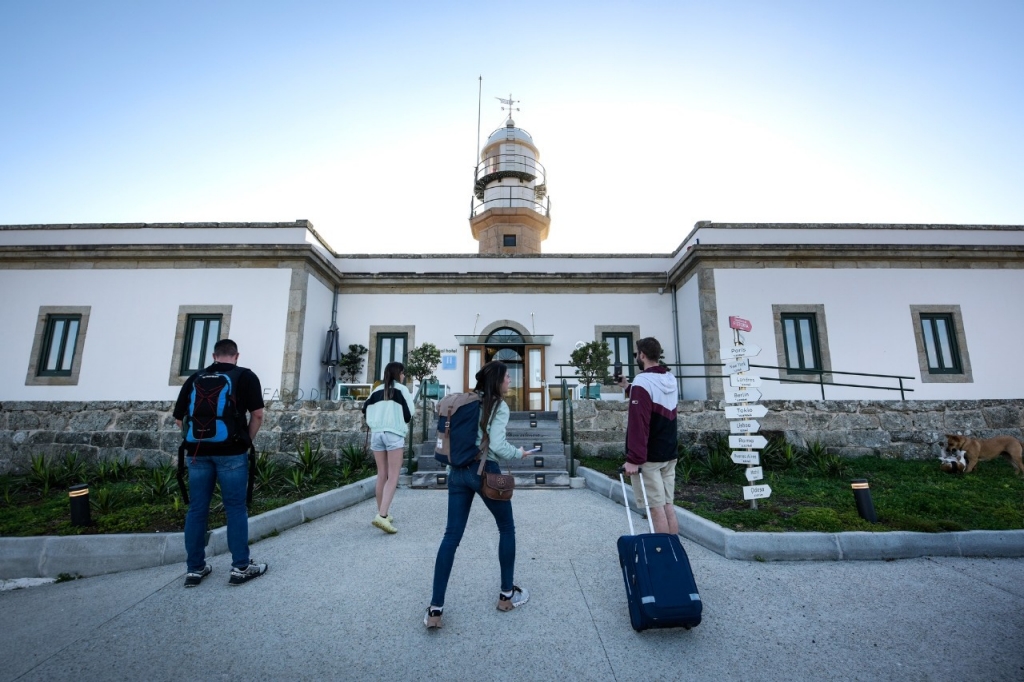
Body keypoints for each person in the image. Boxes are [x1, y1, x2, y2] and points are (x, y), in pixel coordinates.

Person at [424, 360, 531, 629]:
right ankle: (506, 596)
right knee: (506, 528)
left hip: (457, 472)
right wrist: (519, 453)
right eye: (507, 377)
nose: (510, 381)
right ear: (497, 380)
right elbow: (496, 444)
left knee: (451, 536)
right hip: (485, 471)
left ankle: (435, 610)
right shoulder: (499, 406)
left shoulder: (467, 401)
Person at [173, 338, 268, 587]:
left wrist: (196, 440)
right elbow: (257, 414)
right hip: (231, 451)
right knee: (235, 508)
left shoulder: (195, 378)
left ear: (214, 355)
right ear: (236, 355)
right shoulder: (245, 376)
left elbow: (179, 419)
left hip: (197, 452)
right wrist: (245, 439)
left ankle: (194, 569)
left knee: (197, 509)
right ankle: (240, 567)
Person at [615, 336, 680, 535]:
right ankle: (673, 553)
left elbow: (639, 423)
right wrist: (627, 387)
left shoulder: (643, 381)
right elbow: (656, 404)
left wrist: (634, 459)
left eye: (636, 354)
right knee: (668, 504)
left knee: (655, 507)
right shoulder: (669, 378)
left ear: (642, 355)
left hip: (649, 457)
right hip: (669, 453)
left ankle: (661, 556)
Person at [361, 361, 413, 534]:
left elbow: (364, 408)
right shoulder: (402, 390)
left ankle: (383, 512)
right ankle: (382, 516)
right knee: (393, 476)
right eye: (403, 373)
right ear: (399, 373)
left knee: (382, 474)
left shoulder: (376, 389)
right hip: (393, 434)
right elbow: (408, 415)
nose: (404, 376)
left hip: (377, 433)